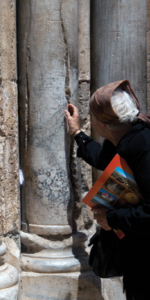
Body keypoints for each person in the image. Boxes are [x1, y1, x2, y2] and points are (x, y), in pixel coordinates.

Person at [65, 80, 150, 300]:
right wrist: (77, 133)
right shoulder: (127, 137)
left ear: (101, 122)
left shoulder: (144, 147)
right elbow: (103, 158)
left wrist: (111, 218)